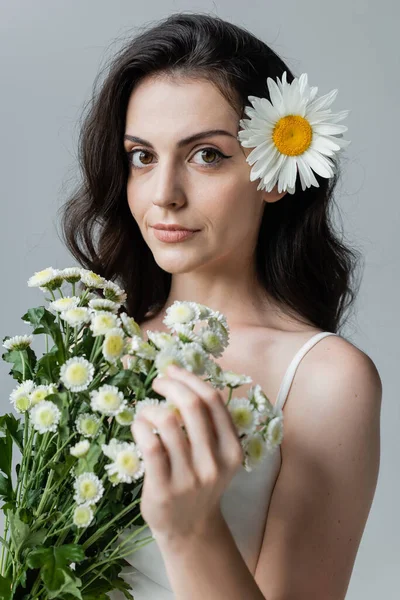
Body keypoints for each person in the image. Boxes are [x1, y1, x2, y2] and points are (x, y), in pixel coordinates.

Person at [59, 12, 382, 600]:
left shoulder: (324, 380)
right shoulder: (94, 345)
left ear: (274, 173)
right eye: (142, 156)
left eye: (206, 155)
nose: (164, 195)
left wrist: (190, 530)